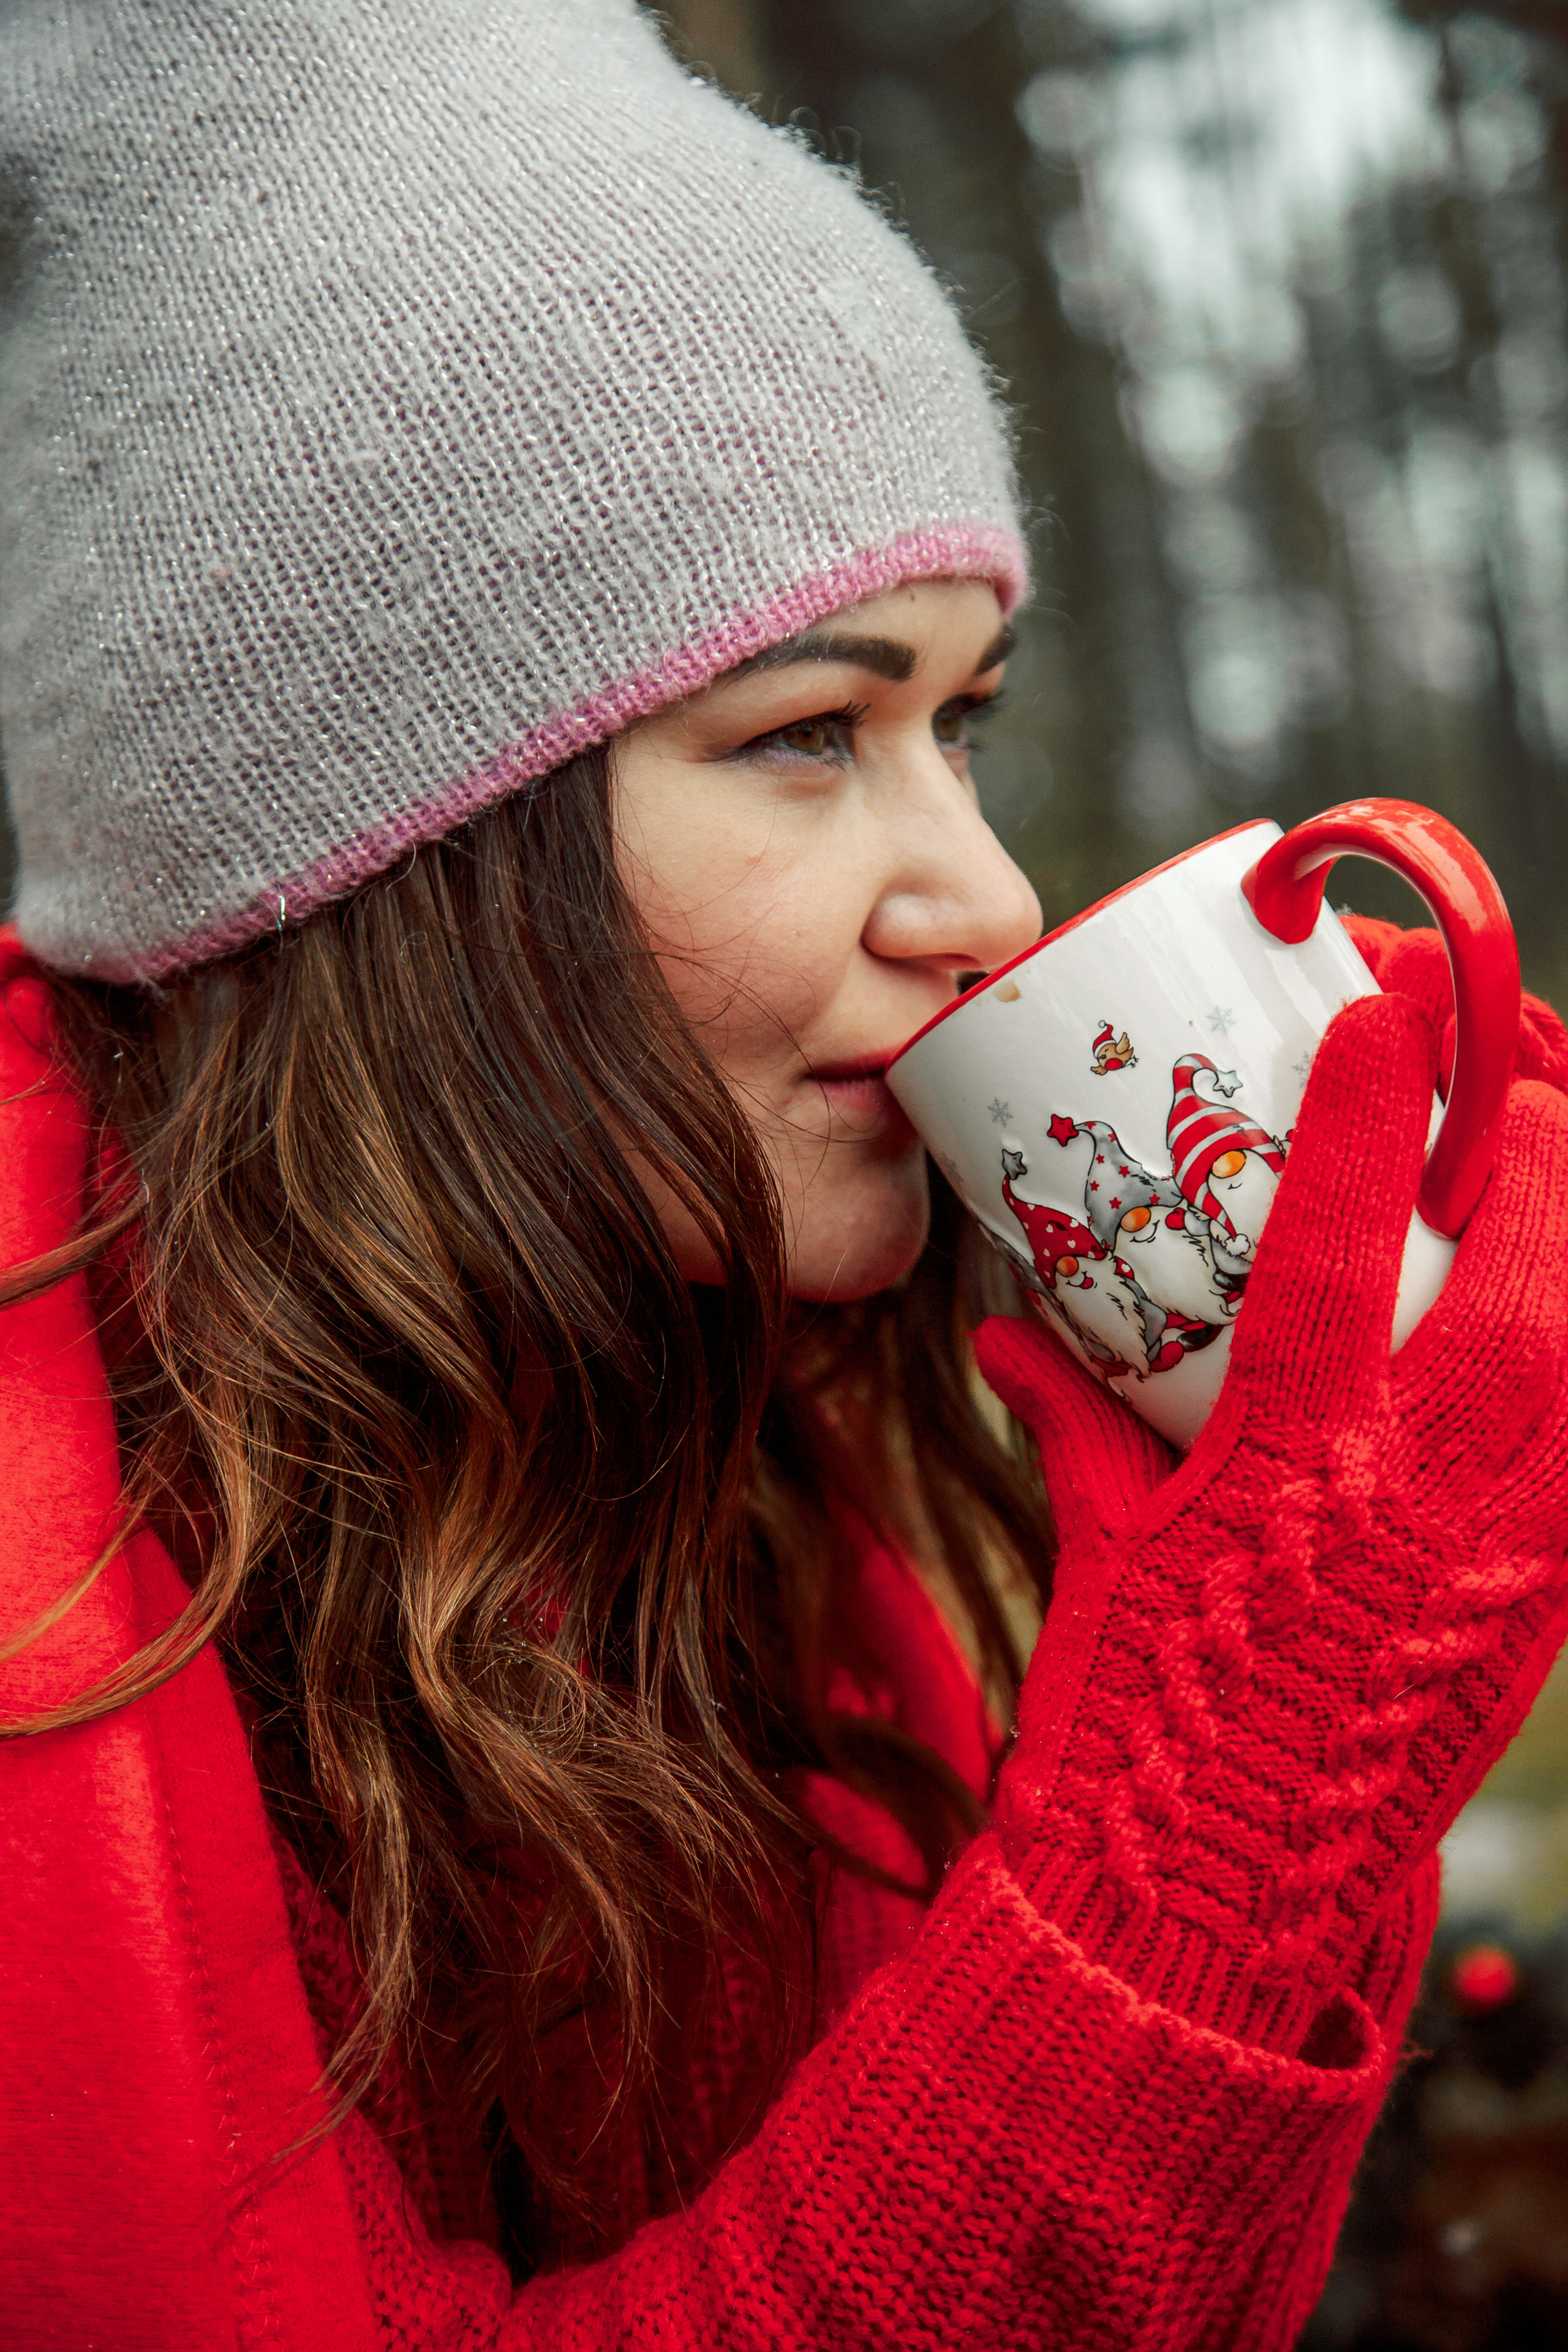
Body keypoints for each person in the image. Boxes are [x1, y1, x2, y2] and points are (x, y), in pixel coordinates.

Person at [3, 5, 1567, 2346]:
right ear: (378, 856)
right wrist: (1224, 1819)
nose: (989, 902)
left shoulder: (748, 1455)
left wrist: (1261, 1736)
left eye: (960, 724)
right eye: (808, 735)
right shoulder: (53, 1581)